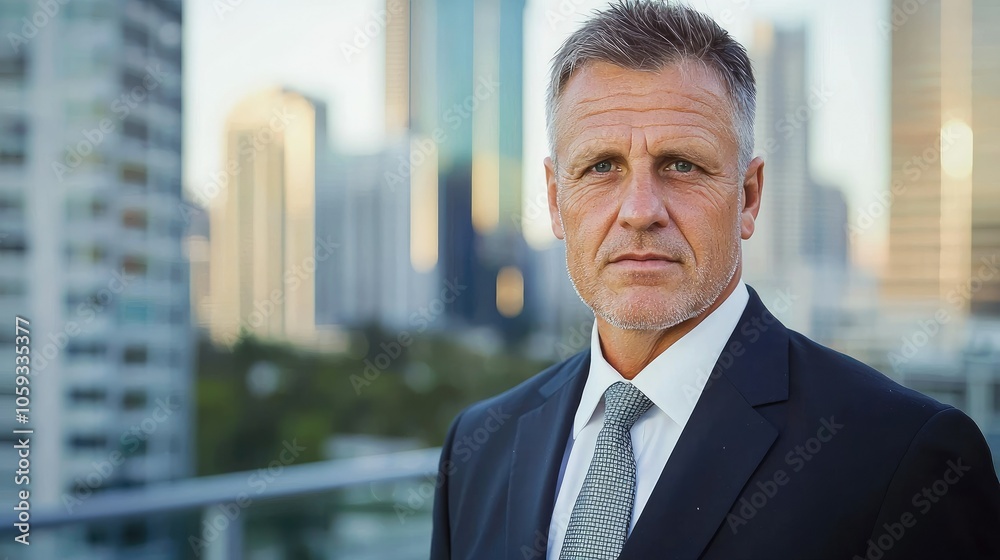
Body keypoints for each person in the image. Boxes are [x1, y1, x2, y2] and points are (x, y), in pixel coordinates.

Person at [429, 1, 1000, 558]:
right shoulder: (477, 448)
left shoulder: (904, 457)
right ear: (556, 201)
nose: (640, 211)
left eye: (682, 165)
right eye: (601, 166)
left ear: (748, 198)